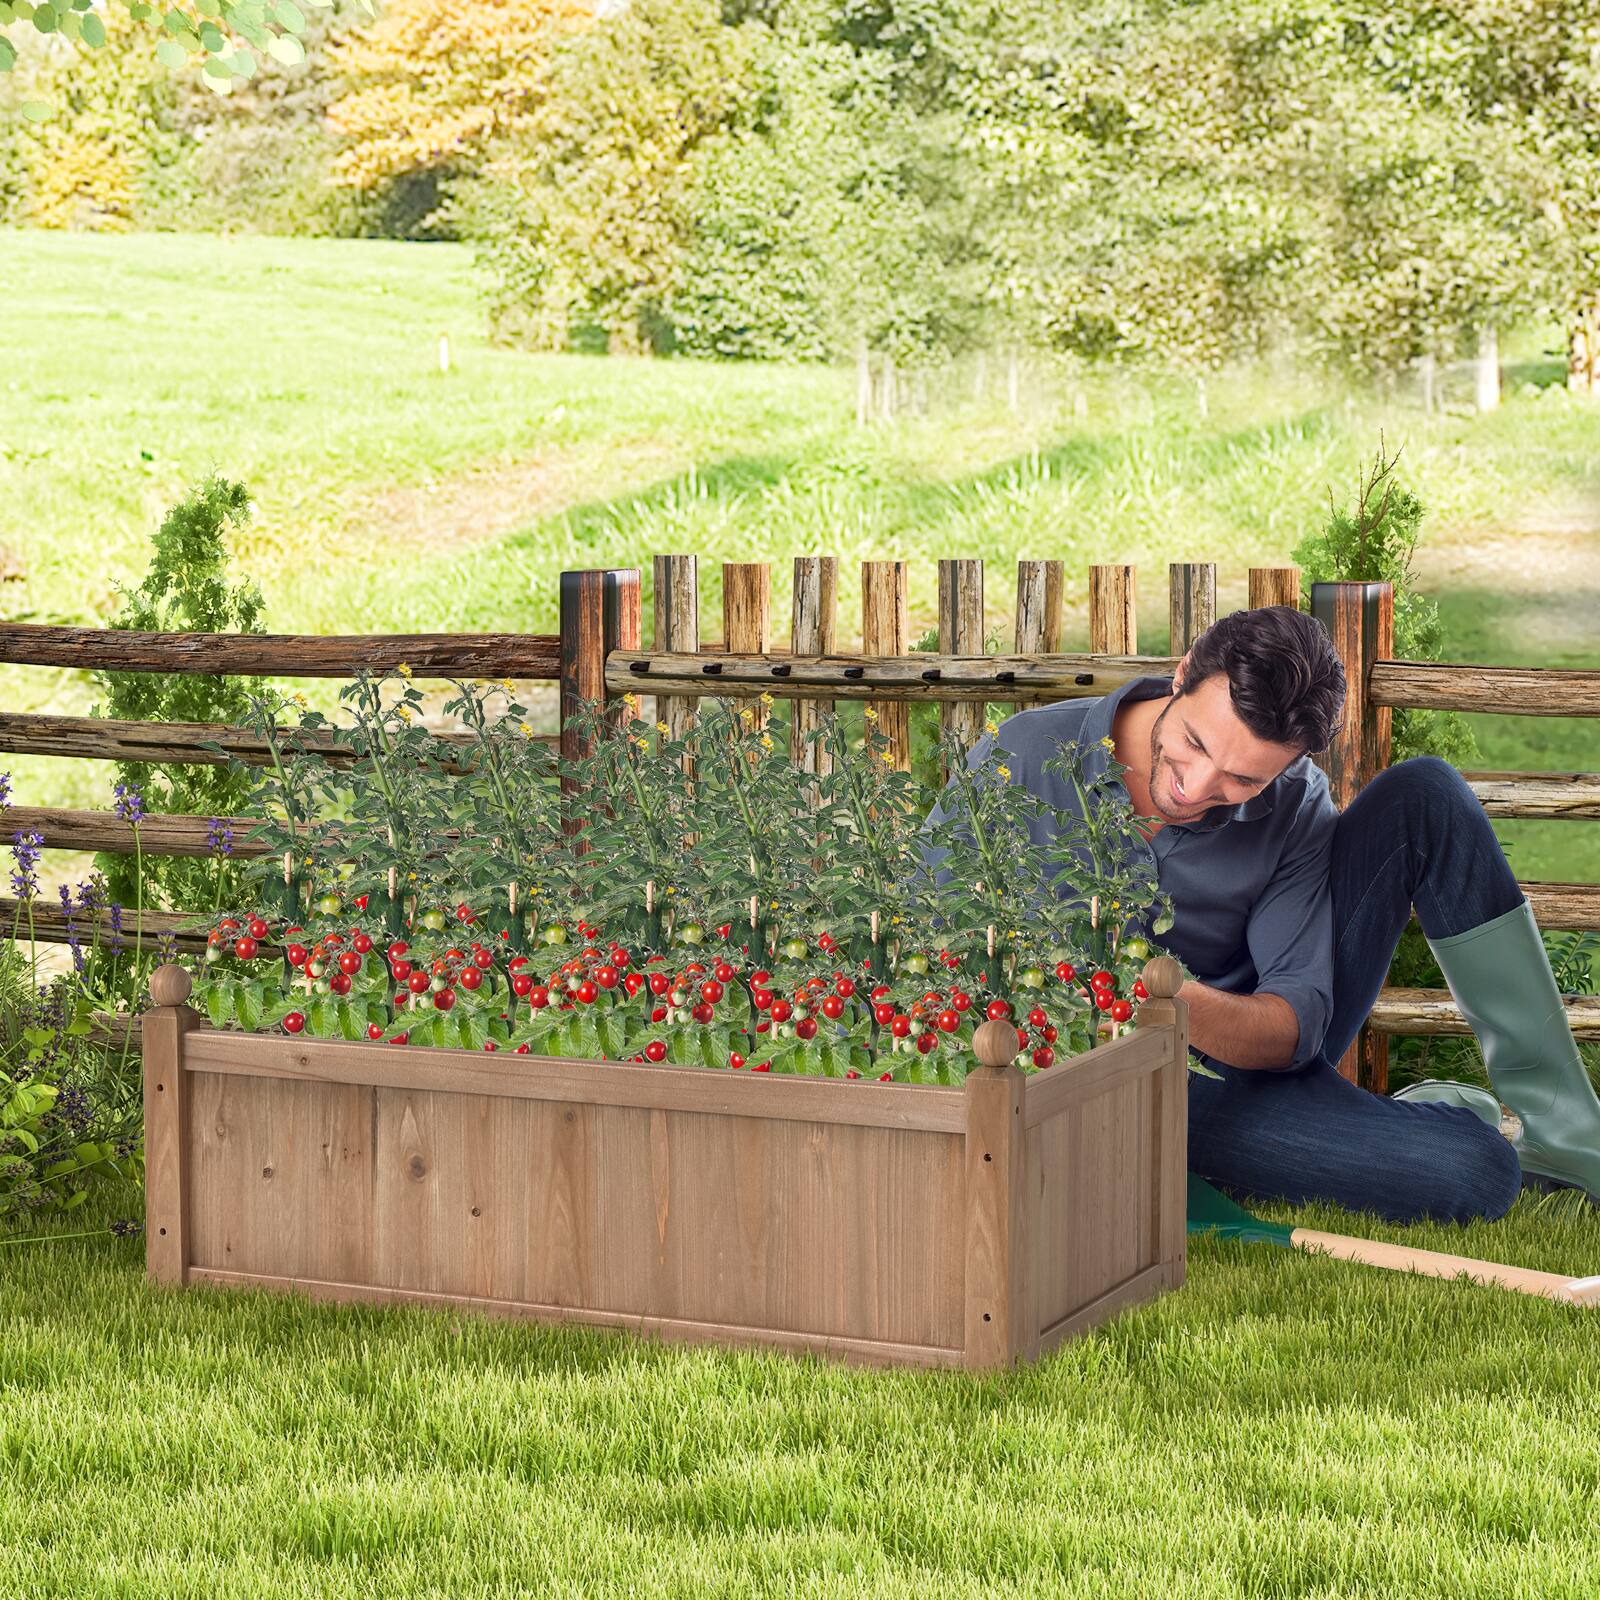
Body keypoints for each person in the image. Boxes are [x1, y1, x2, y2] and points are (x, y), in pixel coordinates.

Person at [918, 604, 1600, 1223]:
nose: (1196, 788)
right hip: (1105, 1086)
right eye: (1196, 743)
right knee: (1478, 1173)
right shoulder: (1019, 757)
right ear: (1183, 674)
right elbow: (925, 951)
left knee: (1427, 792)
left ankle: (1567, 1131)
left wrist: (1163, 998)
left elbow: (1295, 1029)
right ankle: (1413, 1121)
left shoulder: (1296, 800)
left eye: (1244, 779)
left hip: (1238, 1059)